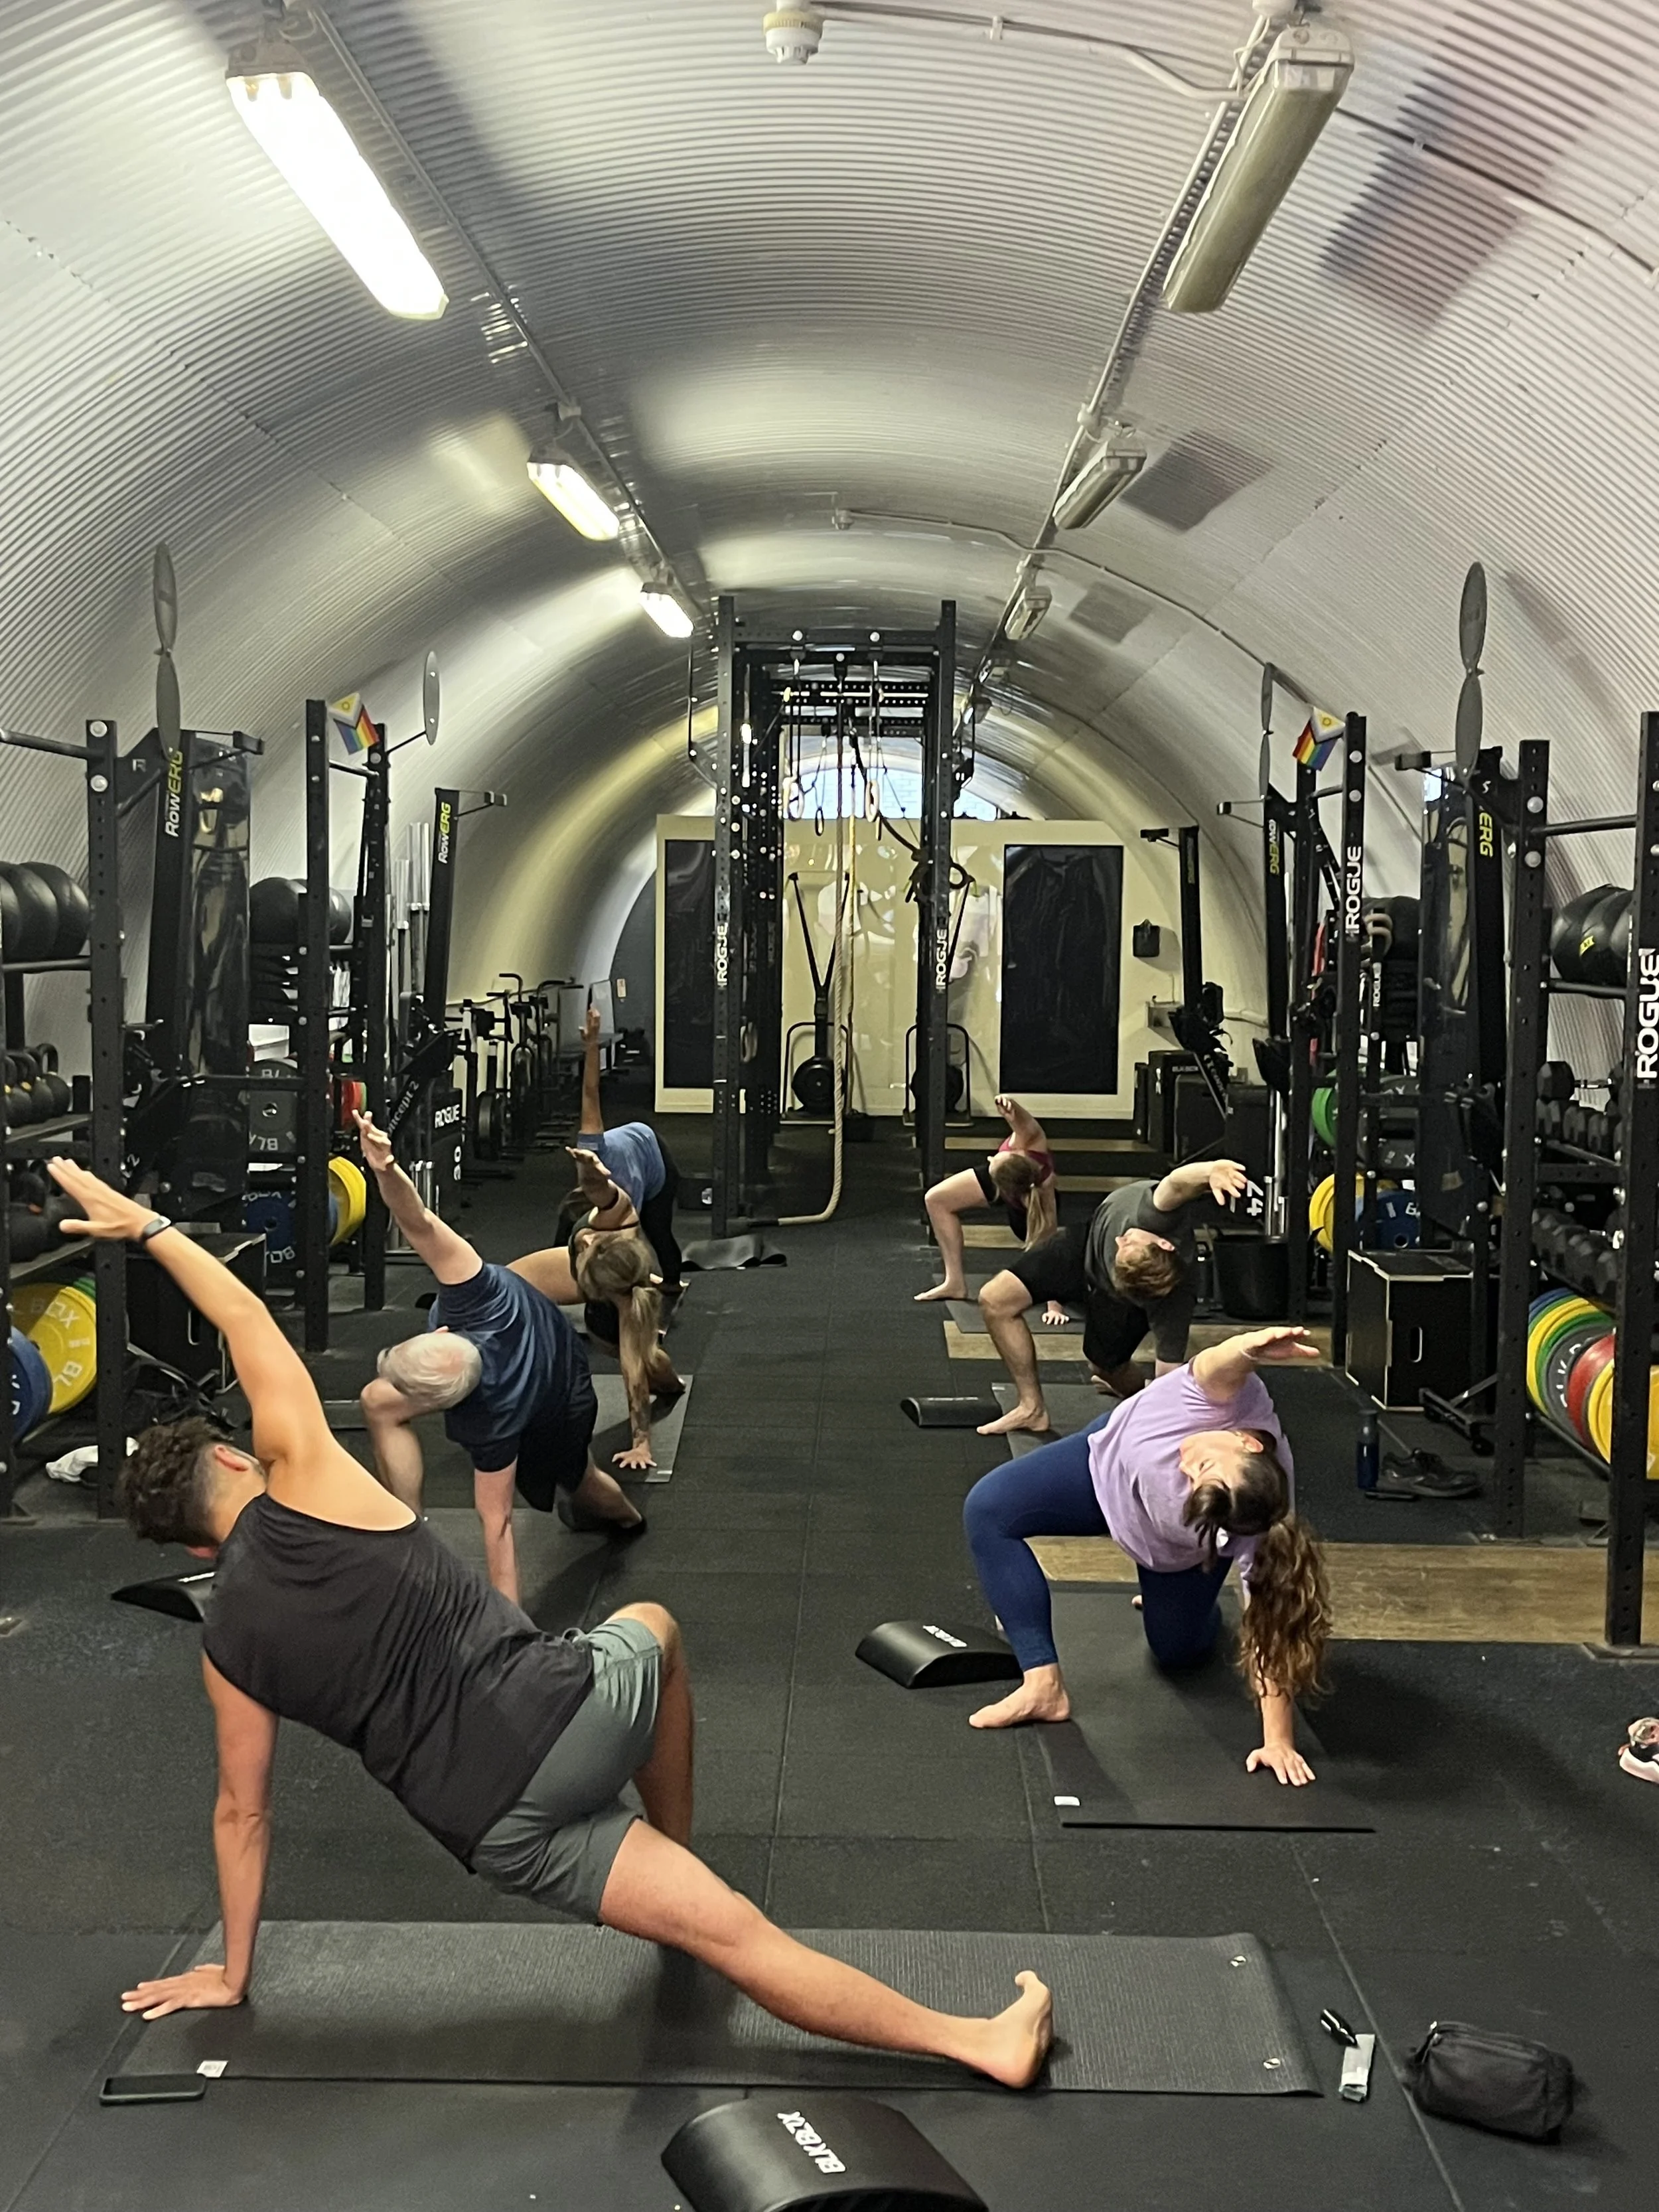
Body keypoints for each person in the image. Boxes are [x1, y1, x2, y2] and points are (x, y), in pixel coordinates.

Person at [44, 1158, 1054, 2085]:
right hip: (563, 1718)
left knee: (735, 1941)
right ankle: (729, 1876)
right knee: (654, 1627)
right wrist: (154, 1230)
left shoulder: (227, 1647)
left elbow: (243, 1812)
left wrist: (232, 1968)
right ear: (231, 1462)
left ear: (190, 1552)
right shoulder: (305, 1480)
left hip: (490, 1828)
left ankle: (971, 2040)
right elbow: (246, 1325)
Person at [961, 1326, 1331, 1783]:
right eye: (1207, 1466)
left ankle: (1194, 1605)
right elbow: (1224, 1359)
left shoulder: (1260, 1517)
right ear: (1246, 1441)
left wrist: (1278, 1740)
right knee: (988, 1509)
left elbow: (1273, 1628)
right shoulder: (1225, 1396)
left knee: (1177, 1654)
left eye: (1196, 1480)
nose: (1185, 1467)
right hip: (1100, 1468)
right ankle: (1043, 1686)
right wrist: (1250, 1347)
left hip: (1168, 1555)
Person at [352, 1110, 643, 1607]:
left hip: (563, 1393)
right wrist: (386, 1169)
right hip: (520, 1346)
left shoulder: (493, 1421)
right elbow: (416, 1219)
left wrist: (509, 1645)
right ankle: (409, 1533)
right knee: (378, 1400)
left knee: (582, 1484)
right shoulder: (471, 1289)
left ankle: (630, 1519)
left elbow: (499, 1529)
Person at [975, 1159, 1248, 1438]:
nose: (1120, 1241)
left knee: (1106, 1368)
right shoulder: (1158, 1216)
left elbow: (1168, 1372)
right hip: (1086, 1243)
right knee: (995, 1299)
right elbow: (1178, 1182)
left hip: (1114, 1296)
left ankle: (1133, 1394)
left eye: (1125, 1246)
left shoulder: (1174, 1301)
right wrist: (1212, 1170)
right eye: (1129, 1243)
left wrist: (1161, 1431)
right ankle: (1032, 1409)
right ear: (1164, 1243)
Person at [569, 1003, 683, 1296]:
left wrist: (632, 1281)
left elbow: (631, 1242)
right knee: (570, 1224)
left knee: (656, 1230)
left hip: (654, 1156)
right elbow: (591, 1091)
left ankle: (672, 1281)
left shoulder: (630, 1185)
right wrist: (591, 1045)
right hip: (629, 1141)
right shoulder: (589, 1144)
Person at [914, 1094, 1060, 1305]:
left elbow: (1050, 1247)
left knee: (1041, 1242)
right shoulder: (1029, 1136)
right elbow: (1021, 1117)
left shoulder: (1043, 1190)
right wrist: (1010, 1106)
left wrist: (1054, 1305)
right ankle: (954, 1283)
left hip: (1027, 1202)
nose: (991, 1156)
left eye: (994, 1158)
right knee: (936, 1199)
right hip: (1012, 1178)